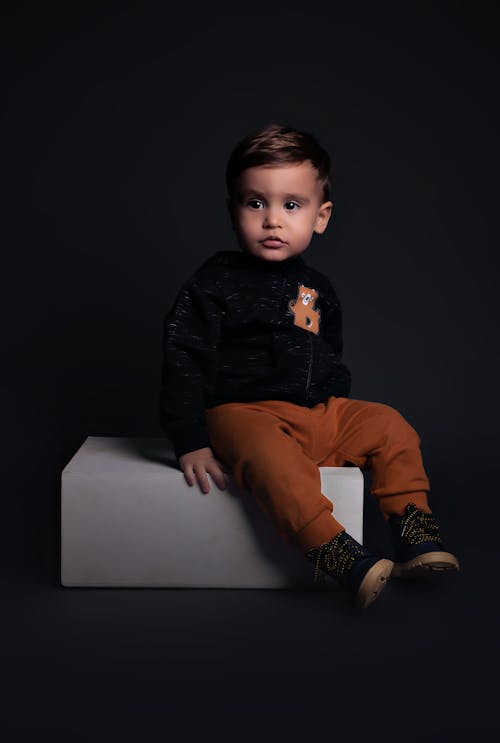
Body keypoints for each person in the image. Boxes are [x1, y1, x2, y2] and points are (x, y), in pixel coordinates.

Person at [160, 123, 459, 609]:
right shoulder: (214, 281)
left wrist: (333, 413)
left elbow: (329, 352)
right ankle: (337, 553)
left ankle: (413, 529)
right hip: (244, 413)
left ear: (320, 217)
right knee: (269, 457)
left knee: (388, 424)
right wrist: (189, 439)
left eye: (290, 205)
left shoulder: (318, 287)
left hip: (315, 411)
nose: (272, 220)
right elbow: (184, 358)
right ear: (233, 209)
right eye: (255, 203)